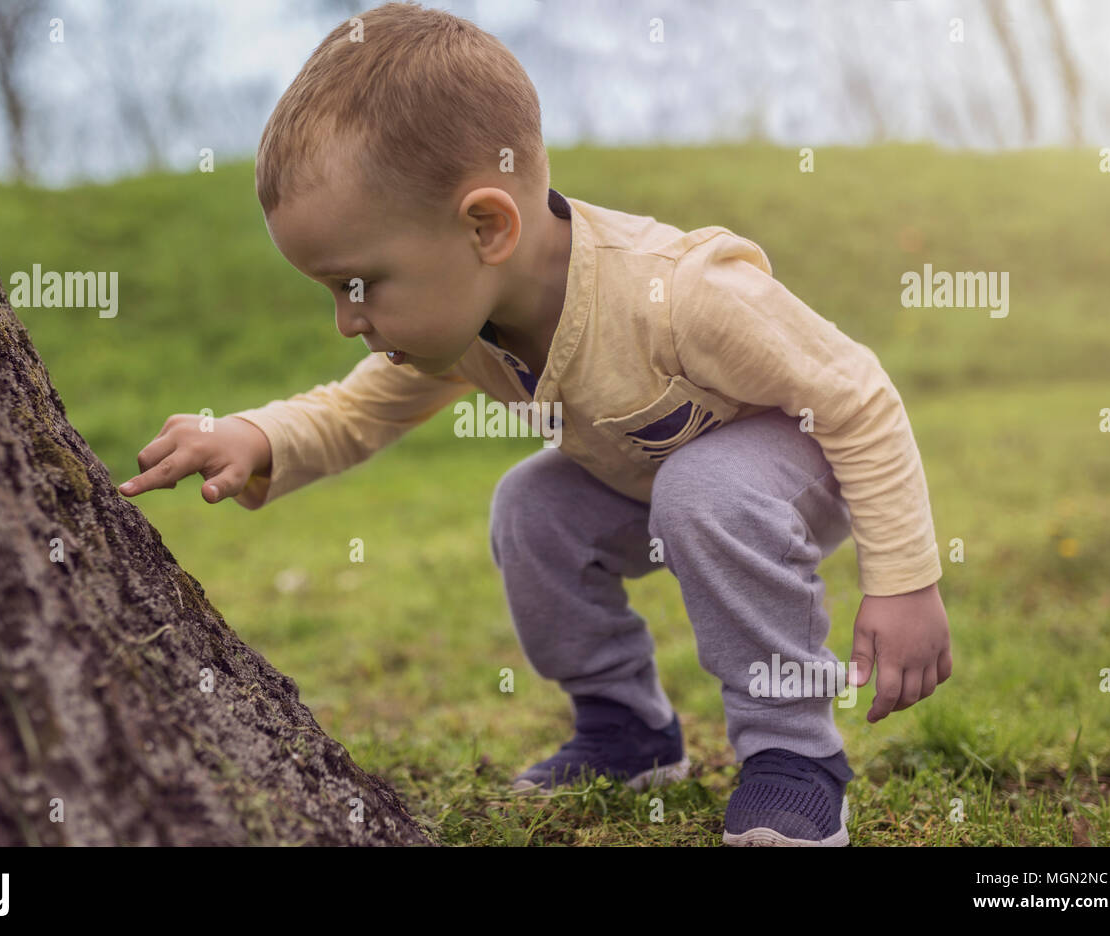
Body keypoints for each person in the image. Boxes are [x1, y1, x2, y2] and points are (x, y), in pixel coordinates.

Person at [118, 2, 952, 847]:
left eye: (358, 284)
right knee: (532, 503)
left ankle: (794, 756)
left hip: (797, 470)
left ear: (487, 226)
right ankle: (627, 730)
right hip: (663, 489)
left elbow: (858, 397)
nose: (346, 320)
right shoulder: (462, 327)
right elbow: (351, 411)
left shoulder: (681, 295)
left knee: (707, 487)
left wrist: (905, 582)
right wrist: (254, 435)